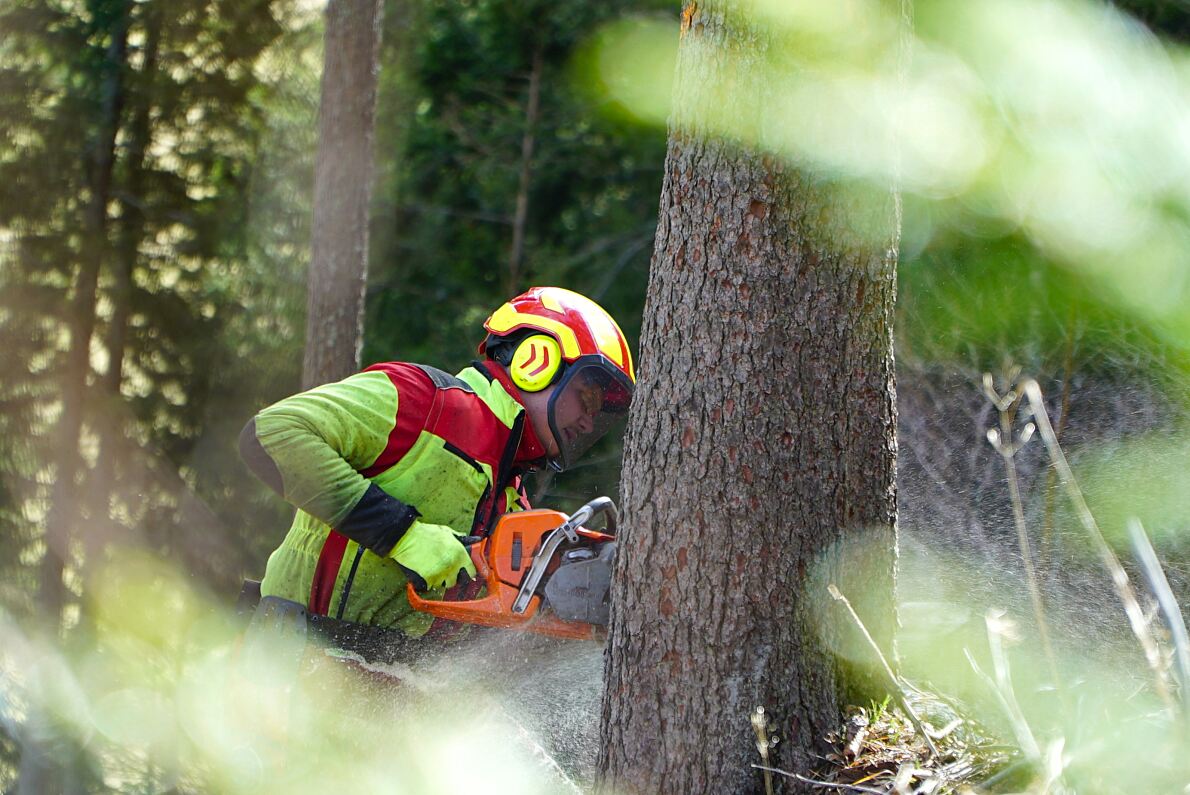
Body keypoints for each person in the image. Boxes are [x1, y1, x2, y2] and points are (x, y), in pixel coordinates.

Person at [238, 287, 635, 638]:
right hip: (285, 656)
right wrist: (403, 535)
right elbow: (272, 433)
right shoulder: (421, 401)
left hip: (374, 687)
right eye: (587, 399)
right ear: (536, 362)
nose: (588, 422)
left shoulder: (511, 503)